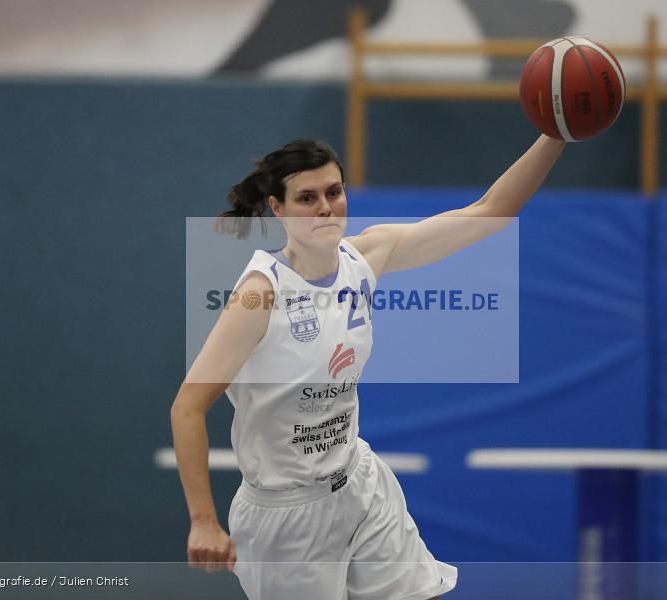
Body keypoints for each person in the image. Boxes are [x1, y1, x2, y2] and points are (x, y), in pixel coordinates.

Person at [171, 135, 565, 599]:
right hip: (286, 516)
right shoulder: (260, 294)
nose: (325, 208)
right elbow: (187, 408)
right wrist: (203, 522)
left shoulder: (365, 256)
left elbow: (490, 210)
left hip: (358, 480)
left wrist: (556, 133)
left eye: (333, 192)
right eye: (307, 198)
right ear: (278, 209)